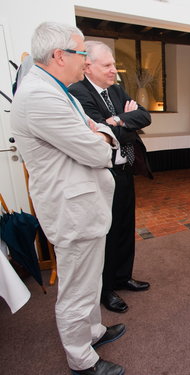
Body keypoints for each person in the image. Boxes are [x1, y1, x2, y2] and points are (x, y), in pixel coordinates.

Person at [10, 22, 125, 375]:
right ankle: (81, 359)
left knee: (89, 279)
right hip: (71, 209)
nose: (85, 61)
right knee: (76, 288)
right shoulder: (40, 96)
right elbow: (95, 148)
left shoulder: (59, 90)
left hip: (84, 204)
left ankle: (92, 331)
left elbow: (98, 132)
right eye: (81, 54)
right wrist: (102, 136)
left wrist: (100, 133)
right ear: (60, 55)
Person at [69, 41, 152, 314]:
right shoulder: (78, 93)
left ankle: (122, 276)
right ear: (88, 66)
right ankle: (105, 290)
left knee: (126, 226)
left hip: (126, 169)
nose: (114, 71)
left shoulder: (114, 89)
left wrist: (118, 121)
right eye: (107, 65)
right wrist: (122, 120)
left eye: (114, 64)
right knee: (107, 232)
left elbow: (144, 116)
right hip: (102, 173)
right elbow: (101, 134)